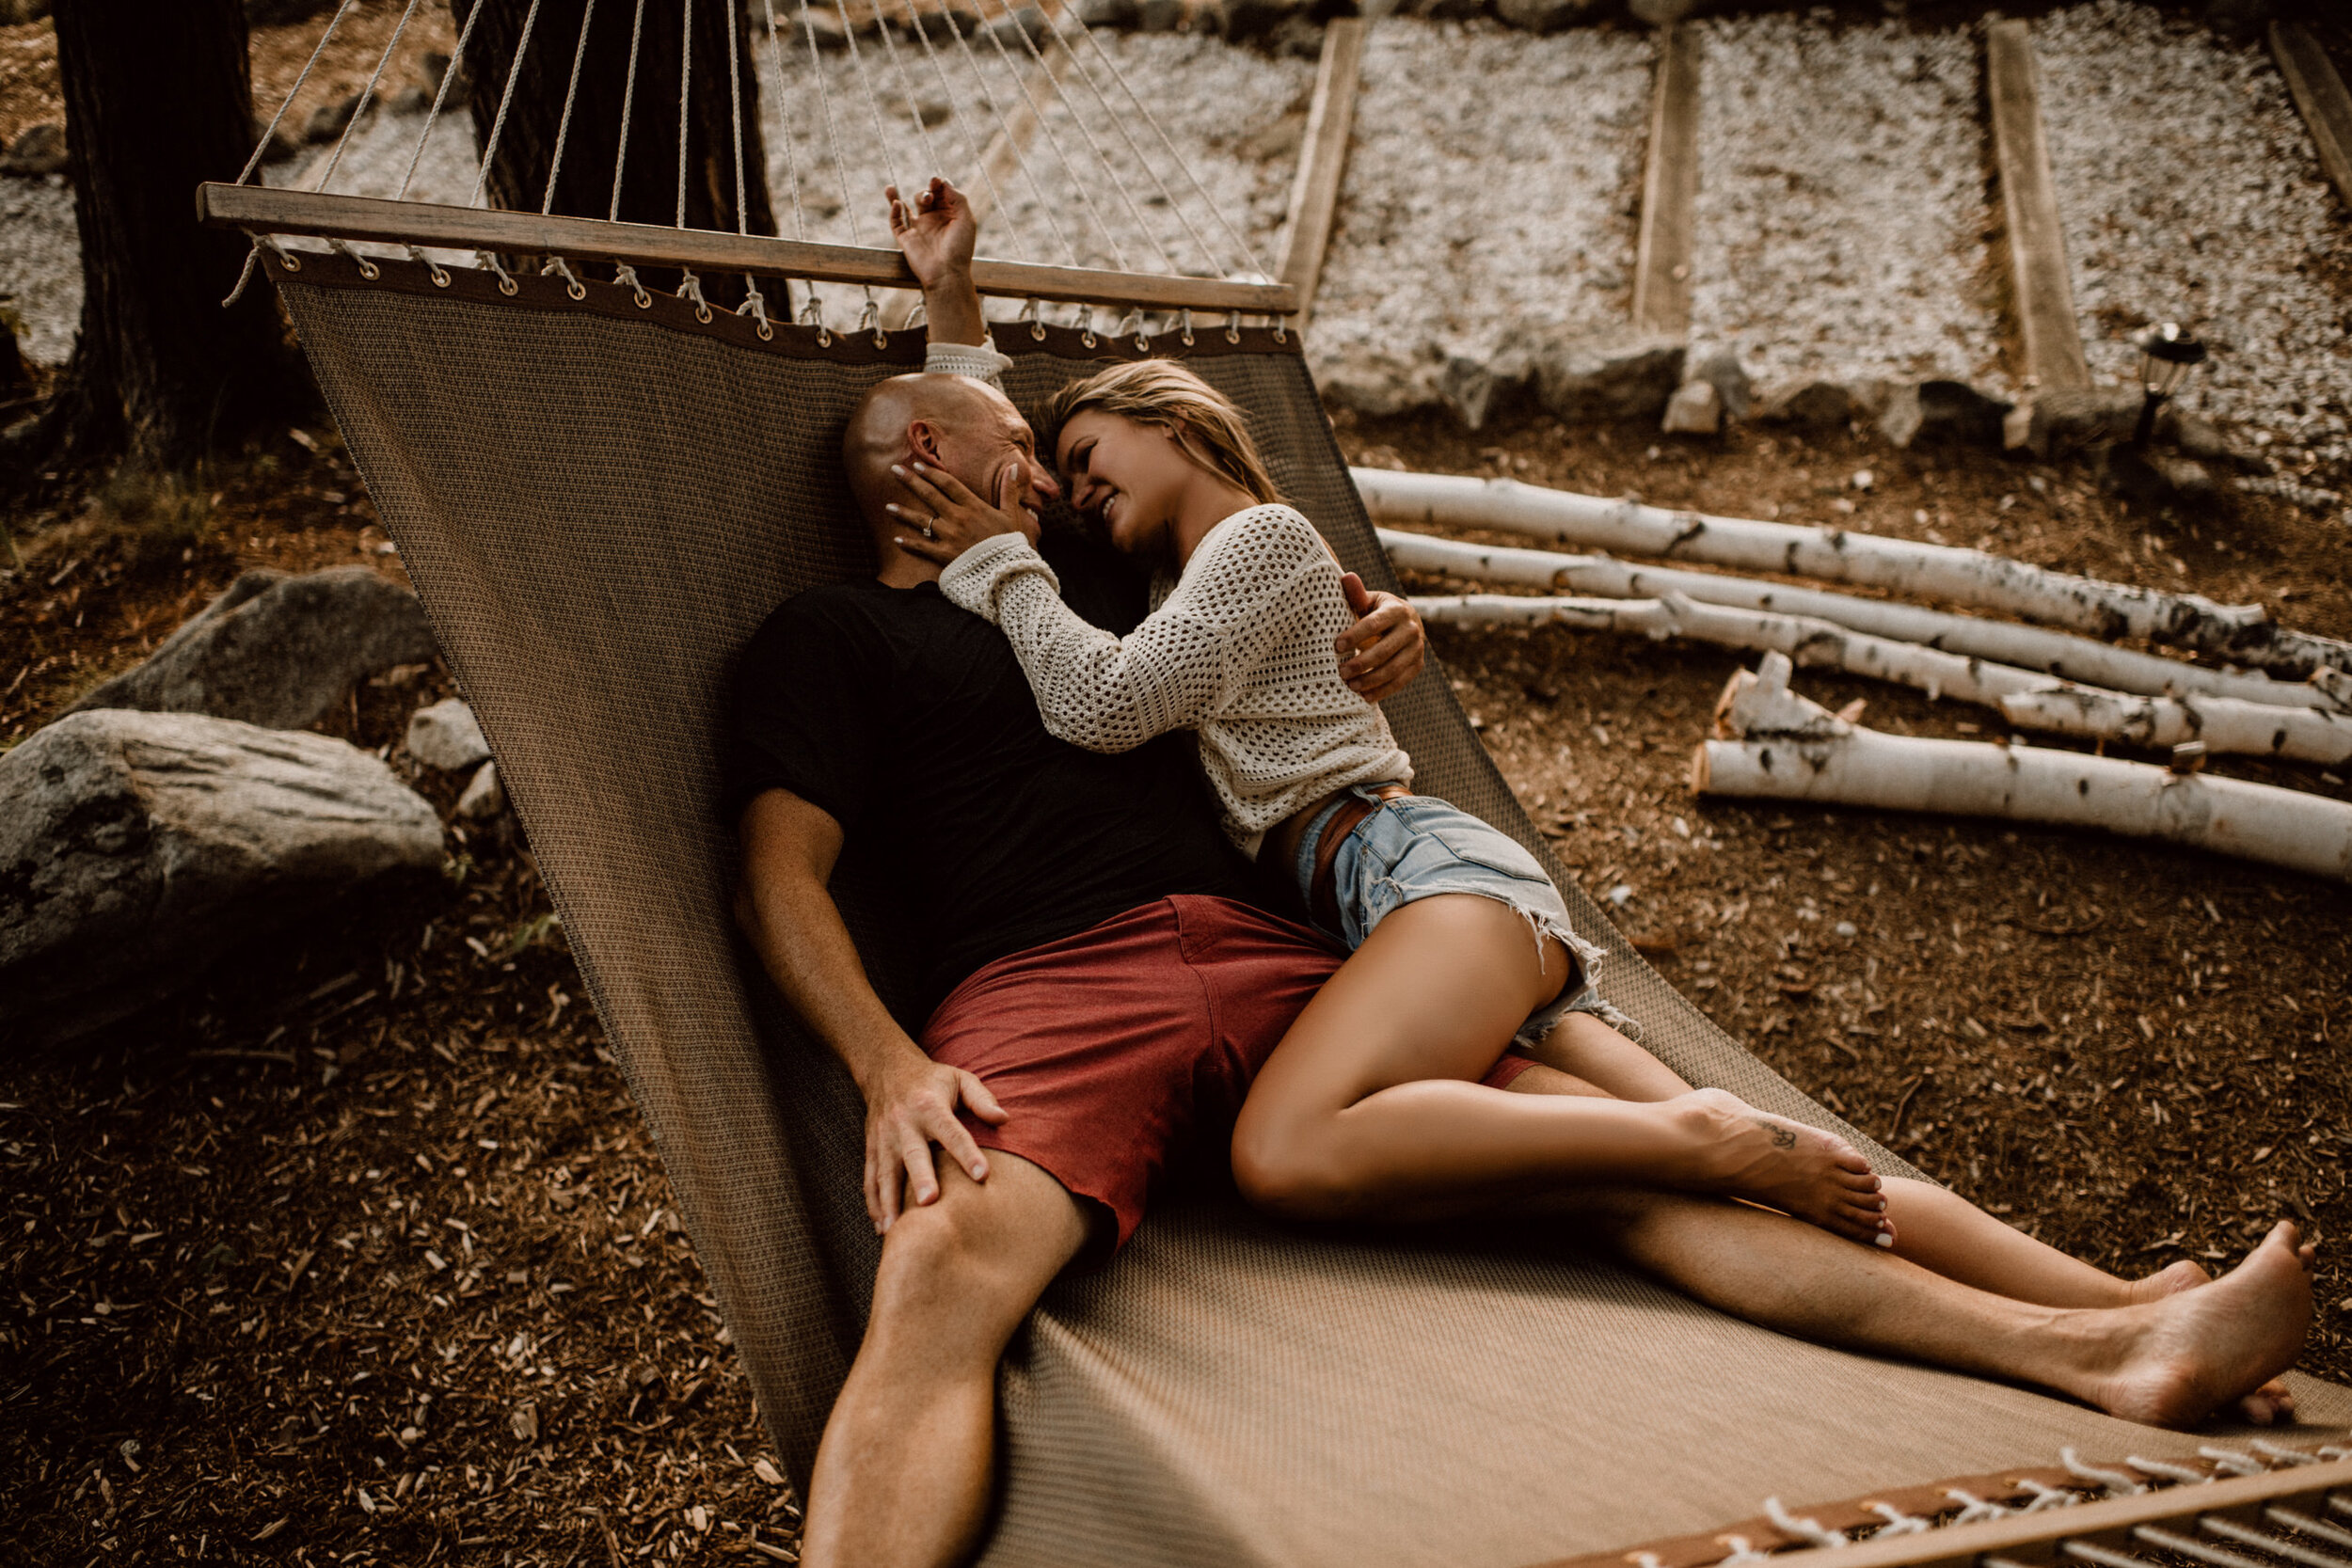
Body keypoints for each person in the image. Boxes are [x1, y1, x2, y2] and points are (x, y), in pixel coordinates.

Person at [728, 178, 2315, 1568]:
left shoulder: (1079, 581)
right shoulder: (838, 637)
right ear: (925, 467)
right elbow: (783, 877)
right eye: (1022, 456)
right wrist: (885, 1067)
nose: (1060, 489)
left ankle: (2097, 1349)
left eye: (1070, 467)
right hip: (1052, 987)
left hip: (1295, 958)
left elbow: (1181, 557)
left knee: (1639, 1170)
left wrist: (954, 300)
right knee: (937, 1272)